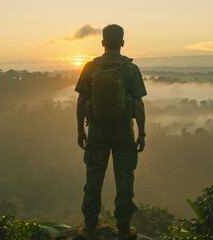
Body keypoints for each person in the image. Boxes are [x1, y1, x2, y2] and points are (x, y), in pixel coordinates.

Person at [75, 24, 147, 240]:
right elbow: (138, 105)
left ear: (103, 43)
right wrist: (142, 134)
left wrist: (80, 130)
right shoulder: (130, 69)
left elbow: (81, 101)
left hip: (97, 130)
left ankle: (89, 228)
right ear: (122, 43)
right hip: (123, 132)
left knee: (94, 177)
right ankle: (124, 229)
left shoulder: (90, 67)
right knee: (124, 178)